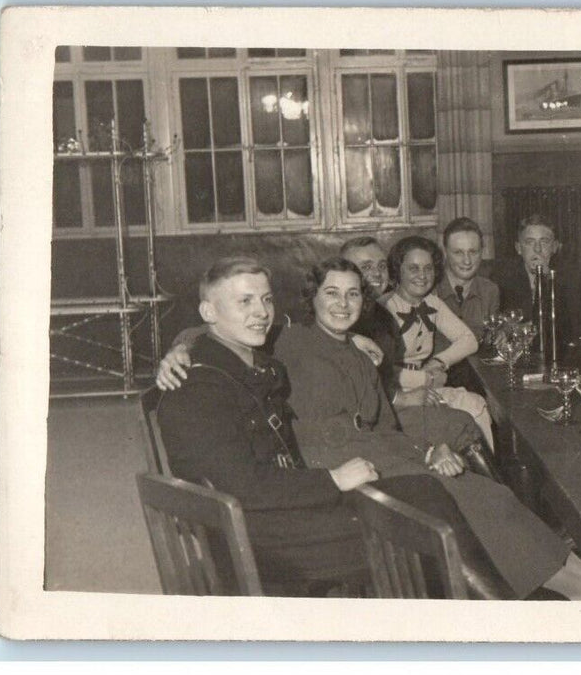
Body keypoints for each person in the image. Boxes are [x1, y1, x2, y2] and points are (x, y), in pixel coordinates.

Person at [155, 256, 512, 598]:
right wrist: (332, 480)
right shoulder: (197, 385)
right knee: (420, 527)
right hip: (258, 539)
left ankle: (493, 604)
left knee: (425, 492)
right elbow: (240, 484)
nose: (261, 312)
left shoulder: (250, 360)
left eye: (265, 299)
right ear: (209, 312)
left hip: (277, 510)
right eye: (244, 301)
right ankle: (496, 618)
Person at [275, 256, 581, 599]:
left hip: (375, 456)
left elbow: (383, 421)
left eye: (352, 294)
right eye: (332, 293)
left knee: (486, 491)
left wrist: (433, 447)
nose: (343, 305)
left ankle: (555, 574)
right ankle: (549, 586)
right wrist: (425, 455)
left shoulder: (348, 347)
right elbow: (338, 442)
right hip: (355, 479)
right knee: (478, 497)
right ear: (312, 297)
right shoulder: (305, 354)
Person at [380, 236, 496, 451]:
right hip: (398, 397)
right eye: (413, 268)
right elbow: (381, 373)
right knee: (458, 417)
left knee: (476, 405)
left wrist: (439, 361)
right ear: (398, 271)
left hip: (426, 384)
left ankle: (489, 473)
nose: (422, 276)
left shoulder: (431, 303)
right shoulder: (383, 308)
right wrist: (426, 378)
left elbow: (469, 340)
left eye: (428, 268)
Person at [495, 214, 581, 347]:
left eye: (544, 242)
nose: (537, 249)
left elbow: (574, 327)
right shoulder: (502, 279)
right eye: (529, 242)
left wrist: (544, 279)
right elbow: (498, 323)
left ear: (554, 247)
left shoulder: (570, 280)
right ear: (518, 248)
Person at [435, 217, 500, 339]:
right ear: (445, 252)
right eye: (458, 252)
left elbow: (490, 340)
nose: (467, 261)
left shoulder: (490, 290)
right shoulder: (431, 289)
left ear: (482, 252)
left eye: (473, 252)